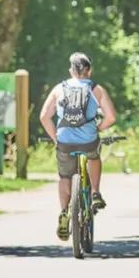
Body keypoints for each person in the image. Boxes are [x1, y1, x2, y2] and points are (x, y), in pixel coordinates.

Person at [39, 52, 117, 241]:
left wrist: (56, 138)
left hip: (64, 141)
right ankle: (96, 192)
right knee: (93, 156)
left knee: (65, 176)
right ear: (89, 71)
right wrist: (97, 128)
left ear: (71, 71)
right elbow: (111, 117)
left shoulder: (59, 88)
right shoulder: (96, 89)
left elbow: (44, 117)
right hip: (88, 140)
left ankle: (65, 212)